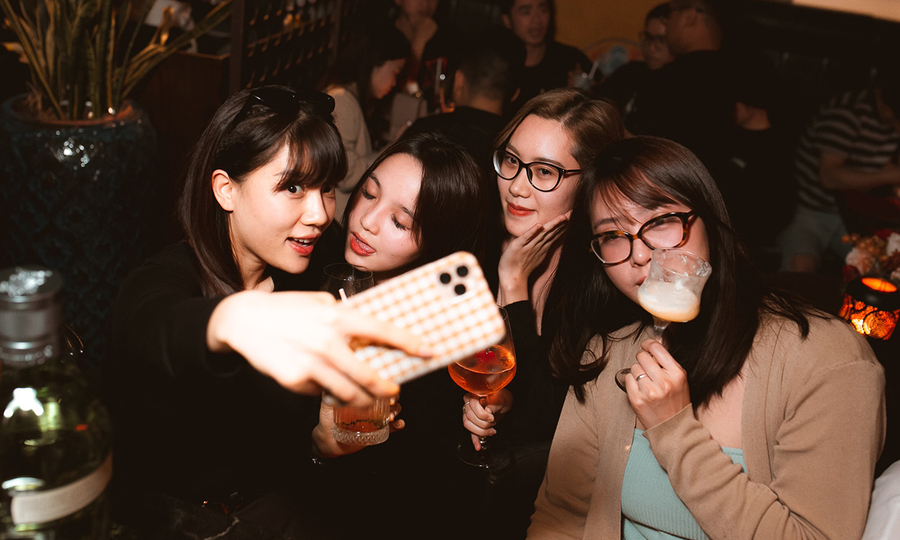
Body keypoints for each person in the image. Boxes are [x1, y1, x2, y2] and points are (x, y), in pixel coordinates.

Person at [102, 85, 426, 535]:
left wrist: (321, 445)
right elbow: (153, 323)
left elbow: (280, 460)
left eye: (327, 188)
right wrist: (232, 319)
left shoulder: (313, 270)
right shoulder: (165, 280)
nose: (319, 213)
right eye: (292, 187)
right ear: (226, 190)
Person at [527, 136, 885, 539]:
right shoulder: (607, 354)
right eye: (612, 235)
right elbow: (561, 517)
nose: (639, 255)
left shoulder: (826, 359)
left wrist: (674, 431)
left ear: (709, 219)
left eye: (659, 221)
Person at [311, 129, 491, 539]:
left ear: (439, 241)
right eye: (369, 194)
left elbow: (412, 497)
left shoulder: (437, 347)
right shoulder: (317, 270)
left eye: (399, 221)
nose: (367, 221)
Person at [462, 88, 623, 538]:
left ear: (589, 182)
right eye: (511, 161)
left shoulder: (605, 286)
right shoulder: (469, 247)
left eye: (545, 172)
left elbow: (552, 434)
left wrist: (514, 284)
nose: (516, 185)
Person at [778, 62, 900, 273]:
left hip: (858, 215)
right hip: (811, 210)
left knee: (886, 271)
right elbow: (829, 177)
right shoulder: (847, 112)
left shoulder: (892, 118)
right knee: (801, 266)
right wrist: (890, 176)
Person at [628, 0, 734, 177]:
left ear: (689, 17)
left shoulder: (669, 80)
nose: (668, 23)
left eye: (670, 14)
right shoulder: (736, 75)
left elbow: (643, 152)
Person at [322, 25, 410, 217]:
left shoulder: (351, 99)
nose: (394, 82)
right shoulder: (342, 101)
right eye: (395, 72)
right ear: (375, 63)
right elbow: (346, 174)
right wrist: (392, 148)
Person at [500, 0, 593, 115]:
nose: (537, 20)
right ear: (507, 20)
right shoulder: (497, 65)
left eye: (543, 10)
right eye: (526, 12)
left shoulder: (570, 59)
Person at [593, 3, 674, 129]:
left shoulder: (680, 85)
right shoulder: (630, 72)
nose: (651, 47)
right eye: (648, 37)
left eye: (661, 40)